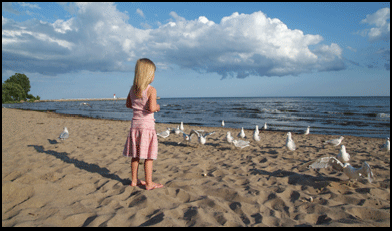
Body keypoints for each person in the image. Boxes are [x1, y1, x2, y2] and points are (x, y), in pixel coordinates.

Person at [123, 58, 163, 190]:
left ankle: (134, 180)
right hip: (147, 127)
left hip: (135, 126)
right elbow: (151, 108)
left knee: (135, 155)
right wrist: (158, 106)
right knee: (148, 156)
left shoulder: (132, 89)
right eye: (153, 74)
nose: (153, 77)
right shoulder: (151, 90)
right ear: (148, 75)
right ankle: (149, 183)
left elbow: (128, 104)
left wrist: (138, 106)